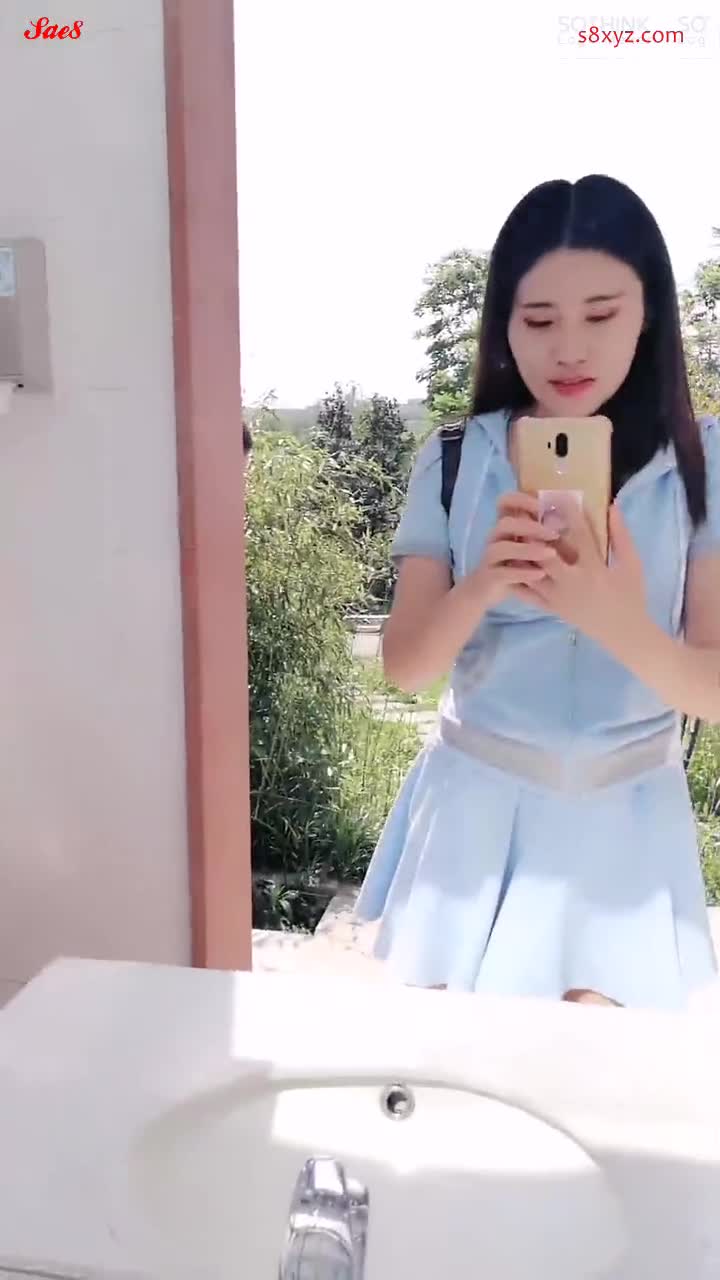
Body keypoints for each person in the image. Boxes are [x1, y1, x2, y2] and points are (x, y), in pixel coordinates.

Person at [354, 174, 720, 1011]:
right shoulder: (454, 458)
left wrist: (613, 619)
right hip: (474, 813)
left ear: (648, 315)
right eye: (540, 320)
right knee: (462, 1070)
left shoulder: (705, 462)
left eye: (601, 315)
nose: (569, 350)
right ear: (504, 325)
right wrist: (483, 583)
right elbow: (407, 668)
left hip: (627, 823)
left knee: (594, 1075)